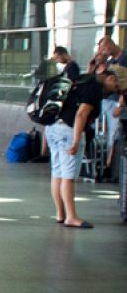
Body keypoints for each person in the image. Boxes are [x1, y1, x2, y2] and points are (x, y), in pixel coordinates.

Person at [45, 64, 103, 228]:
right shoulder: (94, 89)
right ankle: (71, 216)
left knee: (57, 173)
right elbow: (81, 114)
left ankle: (60, 213)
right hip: (68, 131)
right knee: (68, 176)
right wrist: (76, 141)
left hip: (53, 128)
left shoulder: (78, 82)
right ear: (111, 78)